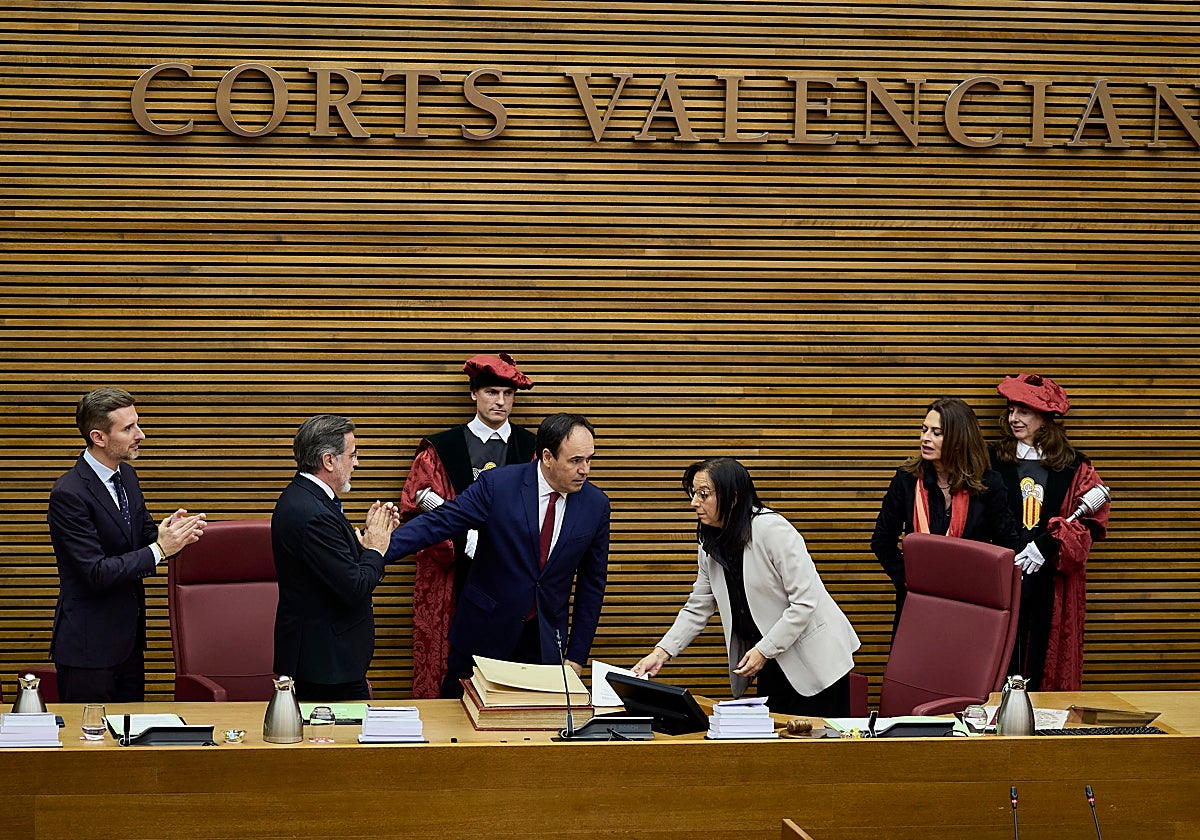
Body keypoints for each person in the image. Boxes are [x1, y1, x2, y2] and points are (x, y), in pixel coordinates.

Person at [387, 413, 609, 699]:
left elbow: (592, 586)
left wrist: (577, 656)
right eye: (575, 461)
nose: (585, 470)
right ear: (547, 457)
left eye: (589, 459)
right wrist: (379, 549)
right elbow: (440, 522)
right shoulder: (499, 485)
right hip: (482, 636)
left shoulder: (596, 505)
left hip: (542, 643)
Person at [632, 458, 861, 717]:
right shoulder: (710, 541)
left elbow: (805, 603)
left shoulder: (772, 529)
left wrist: (764, 650)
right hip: (771, 660)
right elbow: (697, 606)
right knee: (778, 749)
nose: (694, 502)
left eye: (703, 494)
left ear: (733, 497)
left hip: (816, 661)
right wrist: (661, 653)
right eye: (693, 493)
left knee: (819, 751)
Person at [47, 387, 207, 702]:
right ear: (98, 437)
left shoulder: (127, 477)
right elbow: (95, 572)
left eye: (137, 424)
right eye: (128, 428)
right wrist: (160, 549)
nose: (141, 435)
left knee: (130, 744)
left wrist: (169, 531)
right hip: (88, 651)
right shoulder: (69, 494)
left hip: (129, 644)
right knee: (89, 745)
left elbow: (142, 534)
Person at [400, 353, 538, 698]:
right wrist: (464, 540)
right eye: (492, 392)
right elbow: (417, 504)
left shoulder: (534, 450)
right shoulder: (440, 449)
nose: (501, 402)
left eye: (508, 394)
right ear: (474, 393)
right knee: (453, 673)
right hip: (454, 577)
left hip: (512, 576)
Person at [992, 373, 1109, 691]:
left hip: (1050, 587)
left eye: (1024, 411)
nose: (1014, 418)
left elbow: (1088, 527)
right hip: (999, 581)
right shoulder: (991, 462)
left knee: (1041, 673)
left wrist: (1048, 545)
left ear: (1045, 417)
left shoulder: (1074, 468)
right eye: (1011, 410)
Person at [271, 414, 400, 701]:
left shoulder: (309, 499)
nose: (357, 463)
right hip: (325, 666)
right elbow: (353, 587)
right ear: (329, 461)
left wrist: (362, 549)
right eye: (352, 455)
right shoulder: (312, 513)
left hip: (330, 660)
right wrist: (375, 549)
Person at [871, 397, 1025, 635]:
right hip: (916, 602)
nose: (925, 438)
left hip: (970, 605)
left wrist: (978, 584)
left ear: (957, 439)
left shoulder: (989, 484)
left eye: (936, 433)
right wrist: (907, 579)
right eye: (924, 430)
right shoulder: (906, 480)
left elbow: (1008, 547)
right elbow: (882, 540)